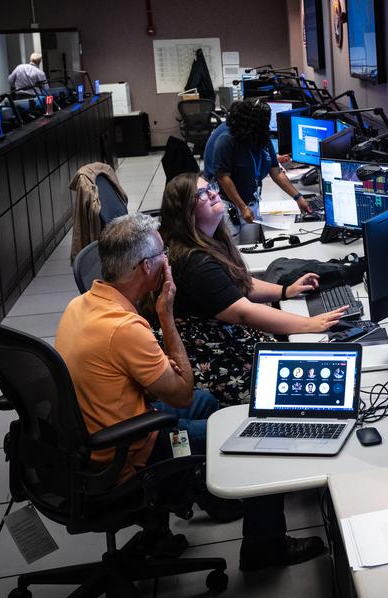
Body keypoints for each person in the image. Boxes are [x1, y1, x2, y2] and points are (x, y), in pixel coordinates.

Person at [55, 213, 324, 571]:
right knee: (259, 437)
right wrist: (165, 315)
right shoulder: (125, 329)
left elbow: (182, 394)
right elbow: (181, 392)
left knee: (208, 403)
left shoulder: (82, 305)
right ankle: (265, 547)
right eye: (163, 255)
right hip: (124, 456)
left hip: (90, 437)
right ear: (147, 267)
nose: (169, 260)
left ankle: (192, 504)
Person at [159, 172, 346, 406]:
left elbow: (239, 283)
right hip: (213, 359)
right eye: (202, 194)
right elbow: (243, 312)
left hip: (226, 342)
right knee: (297, 387)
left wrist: (286, 291)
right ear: (185, 211)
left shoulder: (208, 241)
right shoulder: (194, 262)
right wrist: (310, 324)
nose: (214, 193)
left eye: (211, 188)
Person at [203, 100, 312, 222]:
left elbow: (276, 172)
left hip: (252, 202)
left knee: (255, 238)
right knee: (235, 240)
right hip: (229, 204)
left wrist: (298, 197)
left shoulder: (261, 136)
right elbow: (223, 177)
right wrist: (242, 207)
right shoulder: (226, 140)